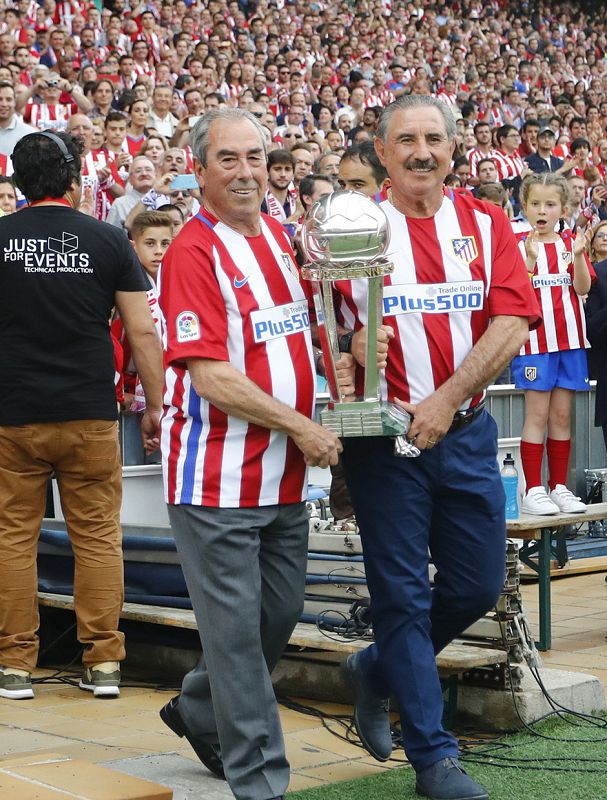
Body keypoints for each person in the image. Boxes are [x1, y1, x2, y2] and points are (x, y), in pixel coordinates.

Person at [334, 96, 539, 800]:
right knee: (399, 596)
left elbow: (512, 322)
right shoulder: (352, 228)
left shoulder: (484, 223)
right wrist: (346, 347)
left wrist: (447, 399)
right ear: (382, 153)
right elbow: (322, 325)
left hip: (466, 430)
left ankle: (376, 669)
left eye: (433, 139)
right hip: (383, 441)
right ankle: (433, 759)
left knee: (476, 585)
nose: (421, 152)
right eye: (406, 140)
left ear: (453, 149)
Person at [156, 108, 342, 800]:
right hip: (216, 482)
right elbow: (211, 376)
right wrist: (302, 427)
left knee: (276, 616)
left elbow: (304, 335)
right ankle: (261, 781)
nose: (244, 172)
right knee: (236, 639)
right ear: (199, 170)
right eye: (227, 159)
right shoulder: (191, 253)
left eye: (254, 157)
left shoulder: (282, 239)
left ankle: (199, 707)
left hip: (284, 479)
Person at [0, 130, 163, 700]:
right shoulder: (108, 239)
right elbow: (142, 331)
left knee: (12, 537)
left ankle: (15, 664)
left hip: (13, 411)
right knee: (96, 536)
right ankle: (104, 662)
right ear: (73, 181)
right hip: (89, 410)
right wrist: (156, 404)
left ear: (19, 182)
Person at [513, 173, 593, 515]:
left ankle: (558, 487)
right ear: (524, 206)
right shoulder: (517, 244)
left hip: (570, 341)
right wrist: (530, 261)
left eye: (550, 204)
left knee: (561, 416)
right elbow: (515, 293)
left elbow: (583, 288)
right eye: (535, 204)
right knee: (537, 415)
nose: (542, 210)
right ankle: (533, 489)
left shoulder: (570, 244)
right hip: (535, 344)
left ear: (563, 208)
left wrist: (579, 255)